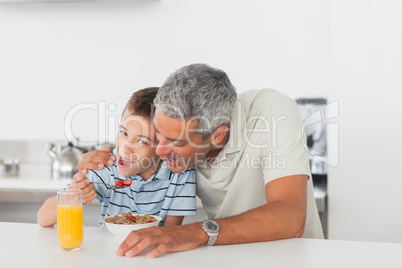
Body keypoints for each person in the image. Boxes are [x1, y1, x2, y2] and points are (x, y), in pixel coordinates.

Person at [79, 64, 324, 259]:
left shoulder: (273, 112)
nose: (161, 149)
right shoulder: (170, 145)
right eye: (157, 134)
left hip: (293, 259)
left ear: (217, 135)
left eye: (176, 141)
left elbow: (290, 217)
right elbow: (134, 163)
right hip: (229, 258)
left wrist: (196, 231)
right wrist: (101, 163)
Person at [37, 87, 196, 228]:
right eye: (123, 133)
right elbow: (43, 218)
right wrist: (73, 194)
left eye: (141, 141)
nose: (125, 147)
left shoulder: (180, 174)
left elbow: (169, 235)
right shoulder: (107, 167)